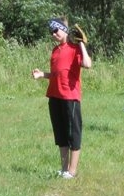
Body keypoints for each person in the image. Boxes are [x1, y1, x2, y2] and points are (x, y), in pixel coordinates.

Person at [32, 17, 92, 179]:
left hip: (70, 97)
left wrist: (81, 44)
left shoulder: (75, 49)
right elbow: (56, 73)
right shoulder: (55, 50)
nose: (53, 34)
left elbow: (87, 64)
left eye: (55, 30)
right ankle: (64, 169)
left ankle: (72, 171)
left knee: (73, 134)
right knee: (61, 135)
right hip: (54, 96)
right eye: (51, 31)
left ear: (64, 30)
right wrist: (42, 74)